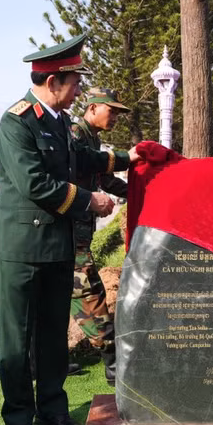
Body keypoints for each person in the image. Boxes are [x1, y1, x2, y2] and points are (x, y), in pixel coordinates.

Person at [0, 34, 139, 425]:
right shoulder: (16, 122)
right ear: (53, 81)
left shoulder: (58, 123)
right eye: (74, 82)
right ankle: (20, 417)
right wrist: (90, 201)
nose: (78, 91)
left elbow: (85, 157)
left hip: (58, 247)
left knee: (54, 335)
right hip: (23, 249)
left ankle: (54, 411)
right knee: (18, 340)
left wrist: (130, 158)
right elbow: (35, 183)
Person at [69, 87, 131, 385]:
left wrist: (140, 192)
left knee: (56, 298)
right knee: (90, 294)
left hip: (78, 233)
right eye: (112, 109)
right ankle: (113, 364)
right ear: (92, 108)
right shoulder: (75, 135)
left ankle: (42, 362)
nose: (116, 116)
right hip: (66, 234)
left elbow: (104, 179)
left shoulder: (91, 139)